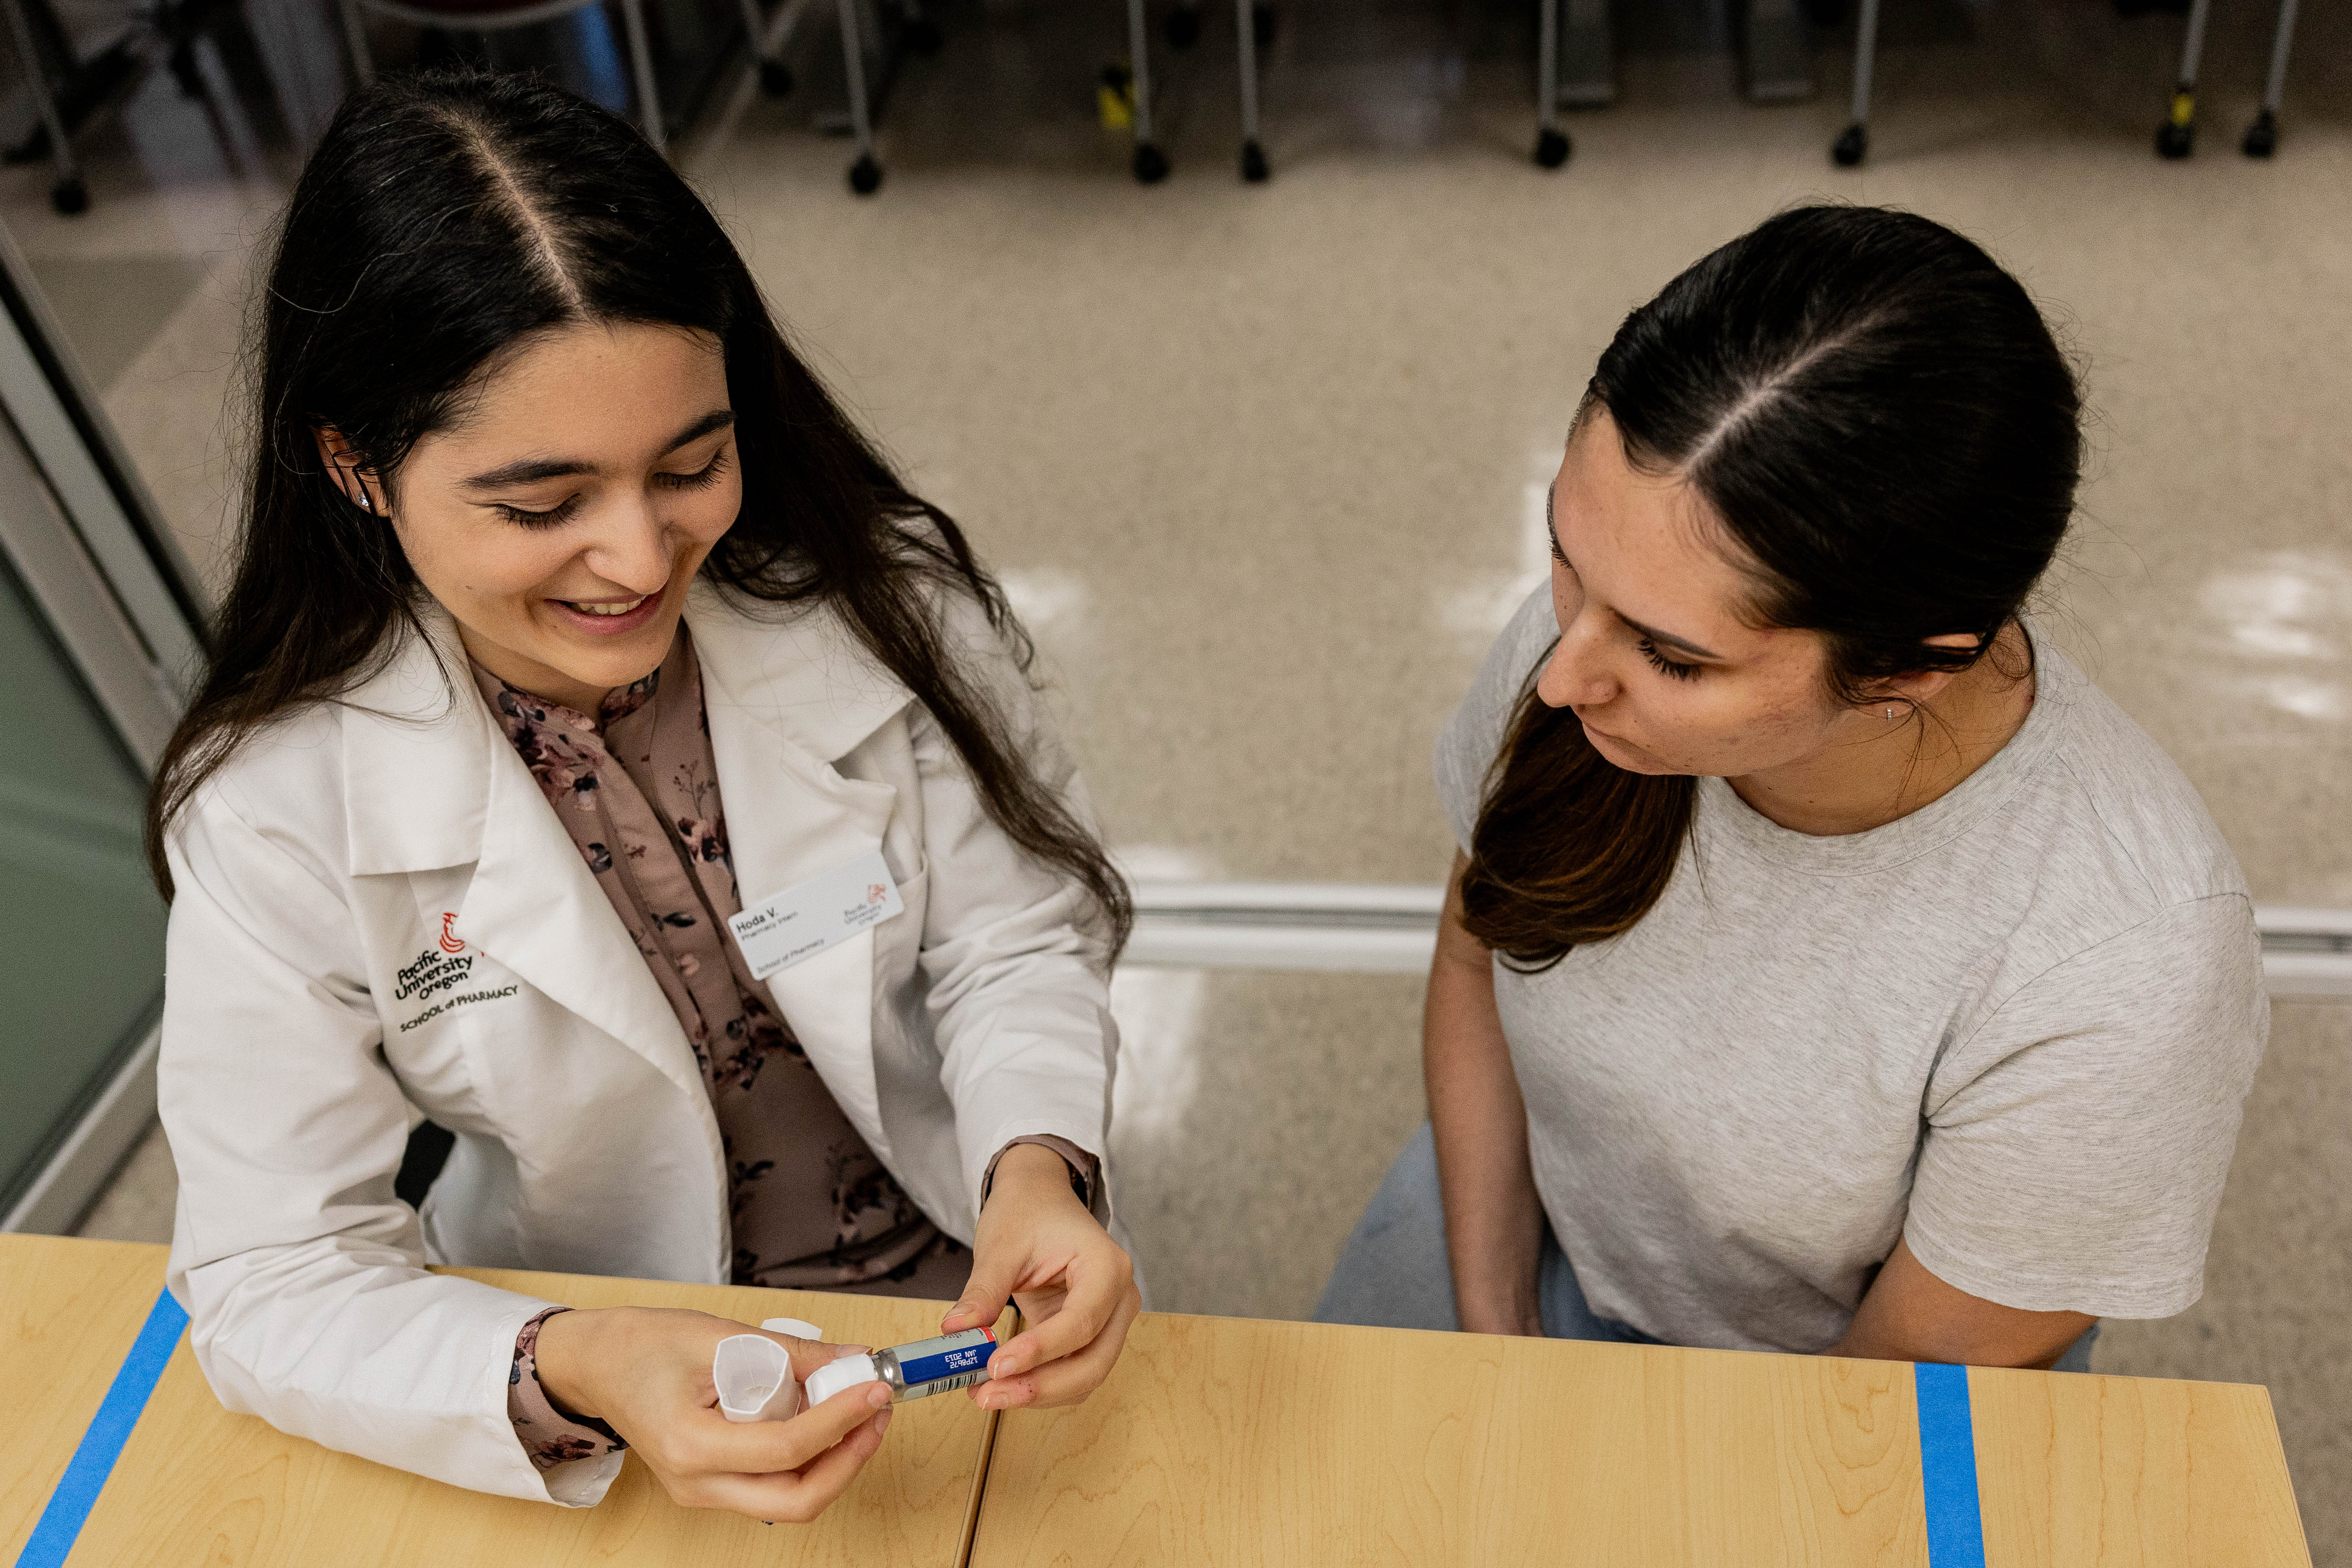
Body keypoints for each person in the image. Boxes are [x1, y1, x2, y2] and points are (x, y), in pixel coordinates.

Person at [148, 69, 1138, 1521]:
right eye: (541, 506)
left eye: (693, 463)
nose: (636, 558)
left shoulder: (875, 606)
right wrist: (576, 1362)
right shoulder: (280, 803)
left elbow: (1014, 936)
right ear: (354, 467)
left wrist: (1039, 1166)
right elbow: (267, 1275)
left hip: (974, 1315)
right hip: (623, 1371)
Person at [1316, 206, 2266, 1373]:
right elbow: (1476, 950)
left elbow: (1871, 1409)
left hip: (1830, 1393)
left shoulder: (2122, 966)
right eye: (1563, 554)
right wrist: (1502, 1339)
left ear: (1912, 666)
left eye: (1672, 659)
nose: (1561, 676)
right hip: (1531, 1246)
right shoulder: (1601, 636)